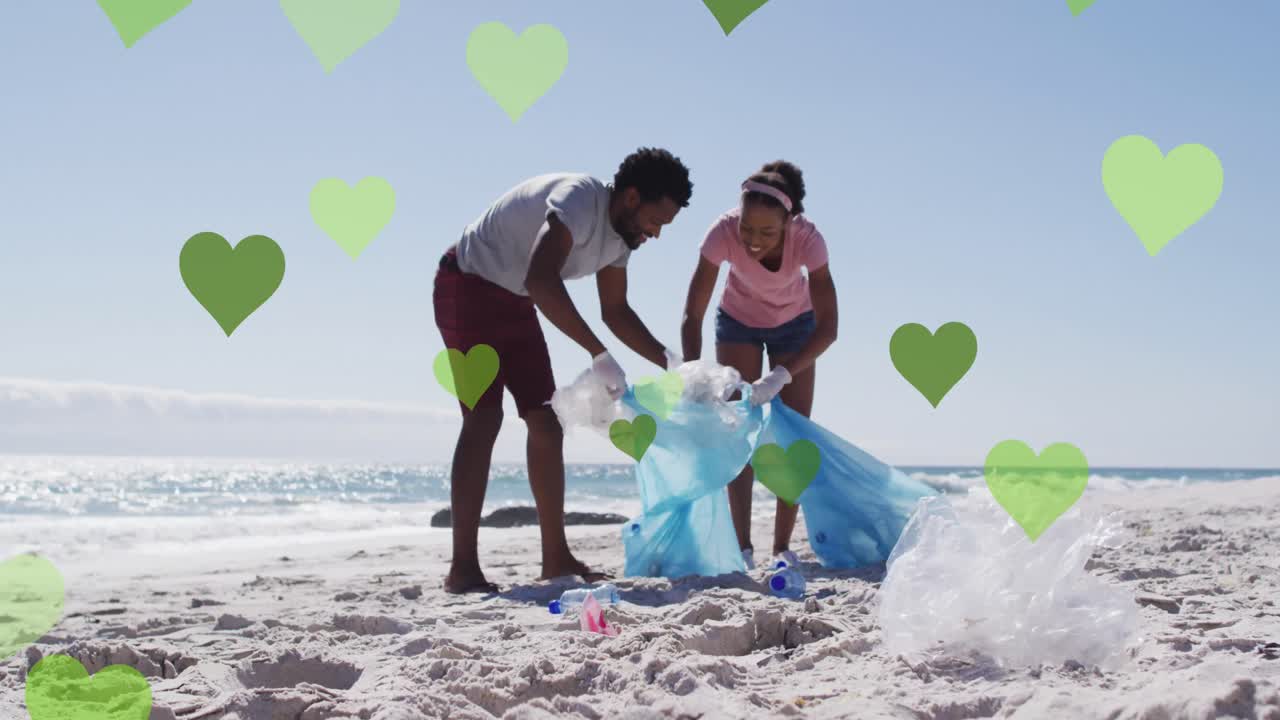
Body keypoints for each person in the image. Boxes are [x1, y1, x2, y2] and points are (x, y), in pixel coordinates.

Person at [434, 148, 693, 594]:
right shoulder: (578, 200)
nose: (656, 233)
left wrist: (671, 362)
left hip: (516, 302)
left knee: (546, 422)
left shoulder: (620, 241)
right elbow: (541, 279)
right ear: (631, 197)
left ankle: (555, 558)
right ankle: (463, 569)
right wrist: (598, 355)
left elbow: (615, 310)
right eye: (656, 220)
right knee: (484, 417)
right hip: (467, 283)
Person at [679, 160, 838, 570]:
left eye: (767, 232)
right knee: (737, 430)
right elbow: (692, 314)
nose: (753, 240)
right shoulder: (721, 233)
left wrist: (784, 373)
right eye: (747, 228)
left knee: (791, 437)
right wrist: (695, 371)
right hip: (737, 323)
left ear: (790, 222)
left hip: (796, 327)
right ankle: (742, 547)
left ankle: (782, 547)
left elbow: (829, 328)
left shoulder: (809, 241)